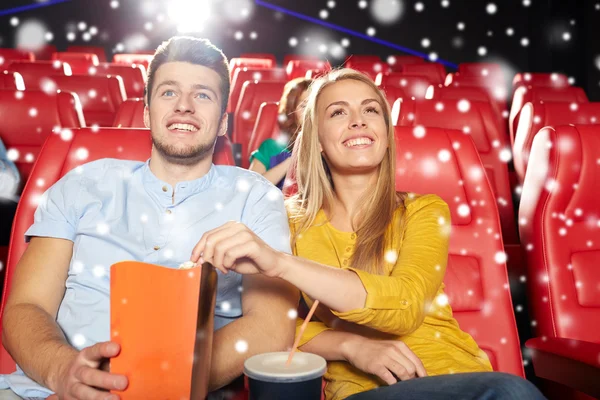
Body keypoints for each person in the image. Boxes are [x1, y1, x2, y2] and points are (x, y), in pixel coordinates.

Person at [191, 69, 547, 400]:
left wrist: (280, 263)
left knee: (510, 392)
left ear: (387, 135)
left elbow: (405, 305)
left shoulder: (424, 210)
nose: (358, 120)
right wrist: (348, 346)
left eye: (371, 110)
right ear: (315, 140)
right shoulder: (286, 219)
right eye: (338, 113)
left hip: (464, 380)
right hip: (365, 390)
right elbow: (273, 327)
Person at [0, 36, 298, 400]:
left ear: (222, 122)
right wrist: (64, 371)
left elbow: (270, 327)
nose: (185, 106)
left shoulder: (255, 196)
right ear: (146, 112)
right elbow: (26, 306)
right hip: (50, 390)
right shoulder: (81, 183)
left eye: (203, 95)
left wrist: (162, 382)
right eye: (169, 93)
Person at [248, 77, 311, 188]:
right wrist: (292, 160)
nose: (311, 112)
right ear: (292, 110)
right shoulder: (271, 147)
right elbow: (251, 189)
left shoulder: (330, 147)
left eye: (315, 106)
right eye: (304, 106)